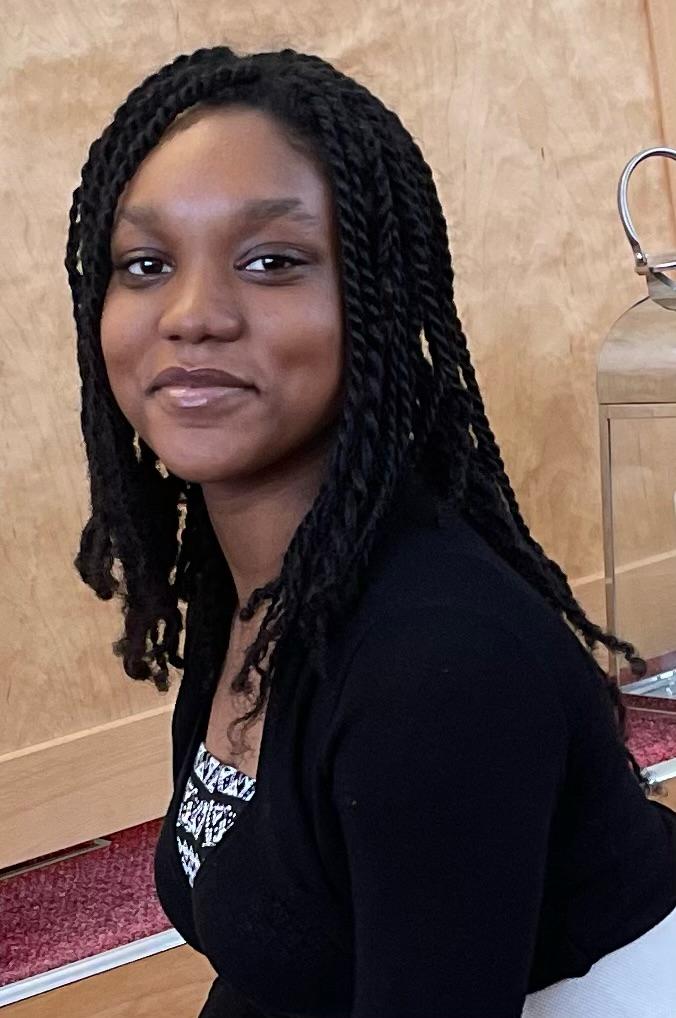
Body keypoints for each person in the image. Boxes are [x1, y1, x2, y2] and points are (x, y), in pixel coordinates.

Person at [64, 45, 676, 1018]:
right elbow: (276, 964)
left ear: (375, 299)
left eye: (271, 261)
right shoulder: (256, 583)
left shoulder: (435, 664)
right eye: (146, 264)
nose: (192, 315)